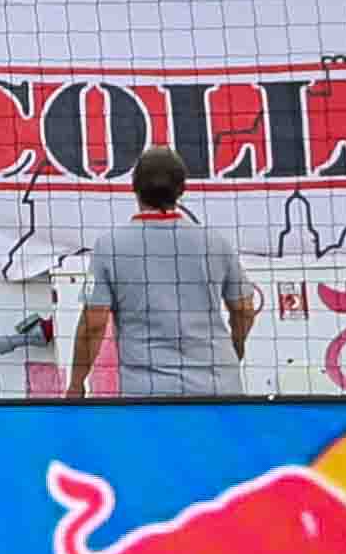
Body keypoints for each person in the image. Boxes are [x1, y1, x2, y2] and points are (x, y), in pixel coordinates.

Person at [65, 146, 260, 397]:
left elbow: (93, 324)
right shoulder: (216, 242)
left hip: (148, 394)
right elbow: (243, 309)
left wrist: (76, 383)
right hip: (218, 386)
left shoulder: (109, 246)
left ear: (134, 188)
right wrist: (236, 348)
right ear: (182, 190)